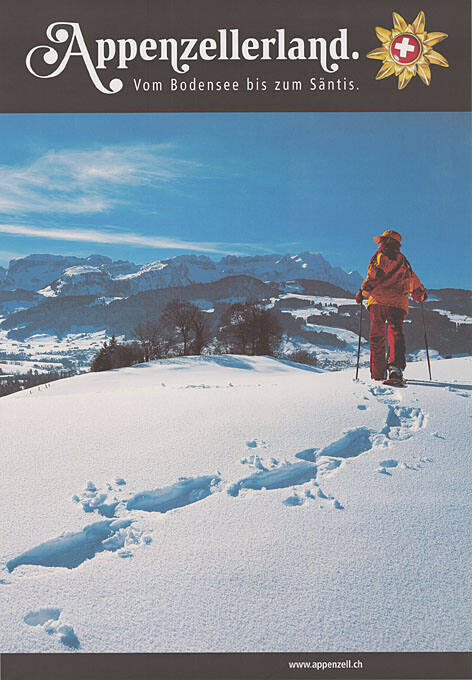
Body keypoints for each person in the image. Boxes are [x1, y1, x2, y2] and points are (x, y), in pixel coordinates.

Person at [355, 229, 427, 382]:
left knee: (377, 337)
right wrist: (421, 294)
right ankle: (395, 369)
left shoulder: (380, 257)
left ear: (386, 242)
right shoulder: (405, 263)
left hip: (378, 303)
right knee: (395, 333)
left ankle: (377, 373)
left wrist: (362, 294)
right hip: (397, 305)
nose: (380, 243)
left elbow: (373, 278)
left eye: (382, 241)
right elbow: (414, 282)